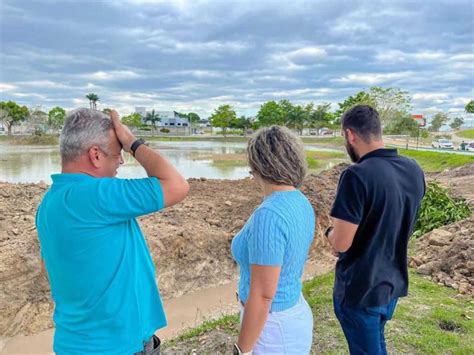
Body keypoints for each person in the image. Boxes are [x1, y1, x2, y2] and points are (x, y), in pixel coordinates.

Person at [36, 108, 189, 354]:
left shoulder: (49, 204)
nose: (121, 160)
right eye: (118, 153)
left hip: (73, 343)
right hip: (118, 345)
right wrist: (133, 142)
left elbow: (48, 266)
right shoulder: (98, 195)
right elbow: (176, 185)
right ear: (95, 155)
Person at [325, 105, 425, 354]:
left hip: (361, 289)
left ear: (350, 135)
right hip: (391, 284)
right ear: (379, 131)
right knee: (376, 344)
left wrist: (328, 233)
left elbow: (340, 244)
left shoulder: (356, 175)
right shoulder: (413, 169)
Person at [231, 126, 315, 355]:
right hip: (290, 312)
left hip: (271, 328)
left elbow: (263, 294)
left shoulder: (269, 214)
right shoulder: (300, 200)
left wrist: (243, 350)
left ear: (256, 164)